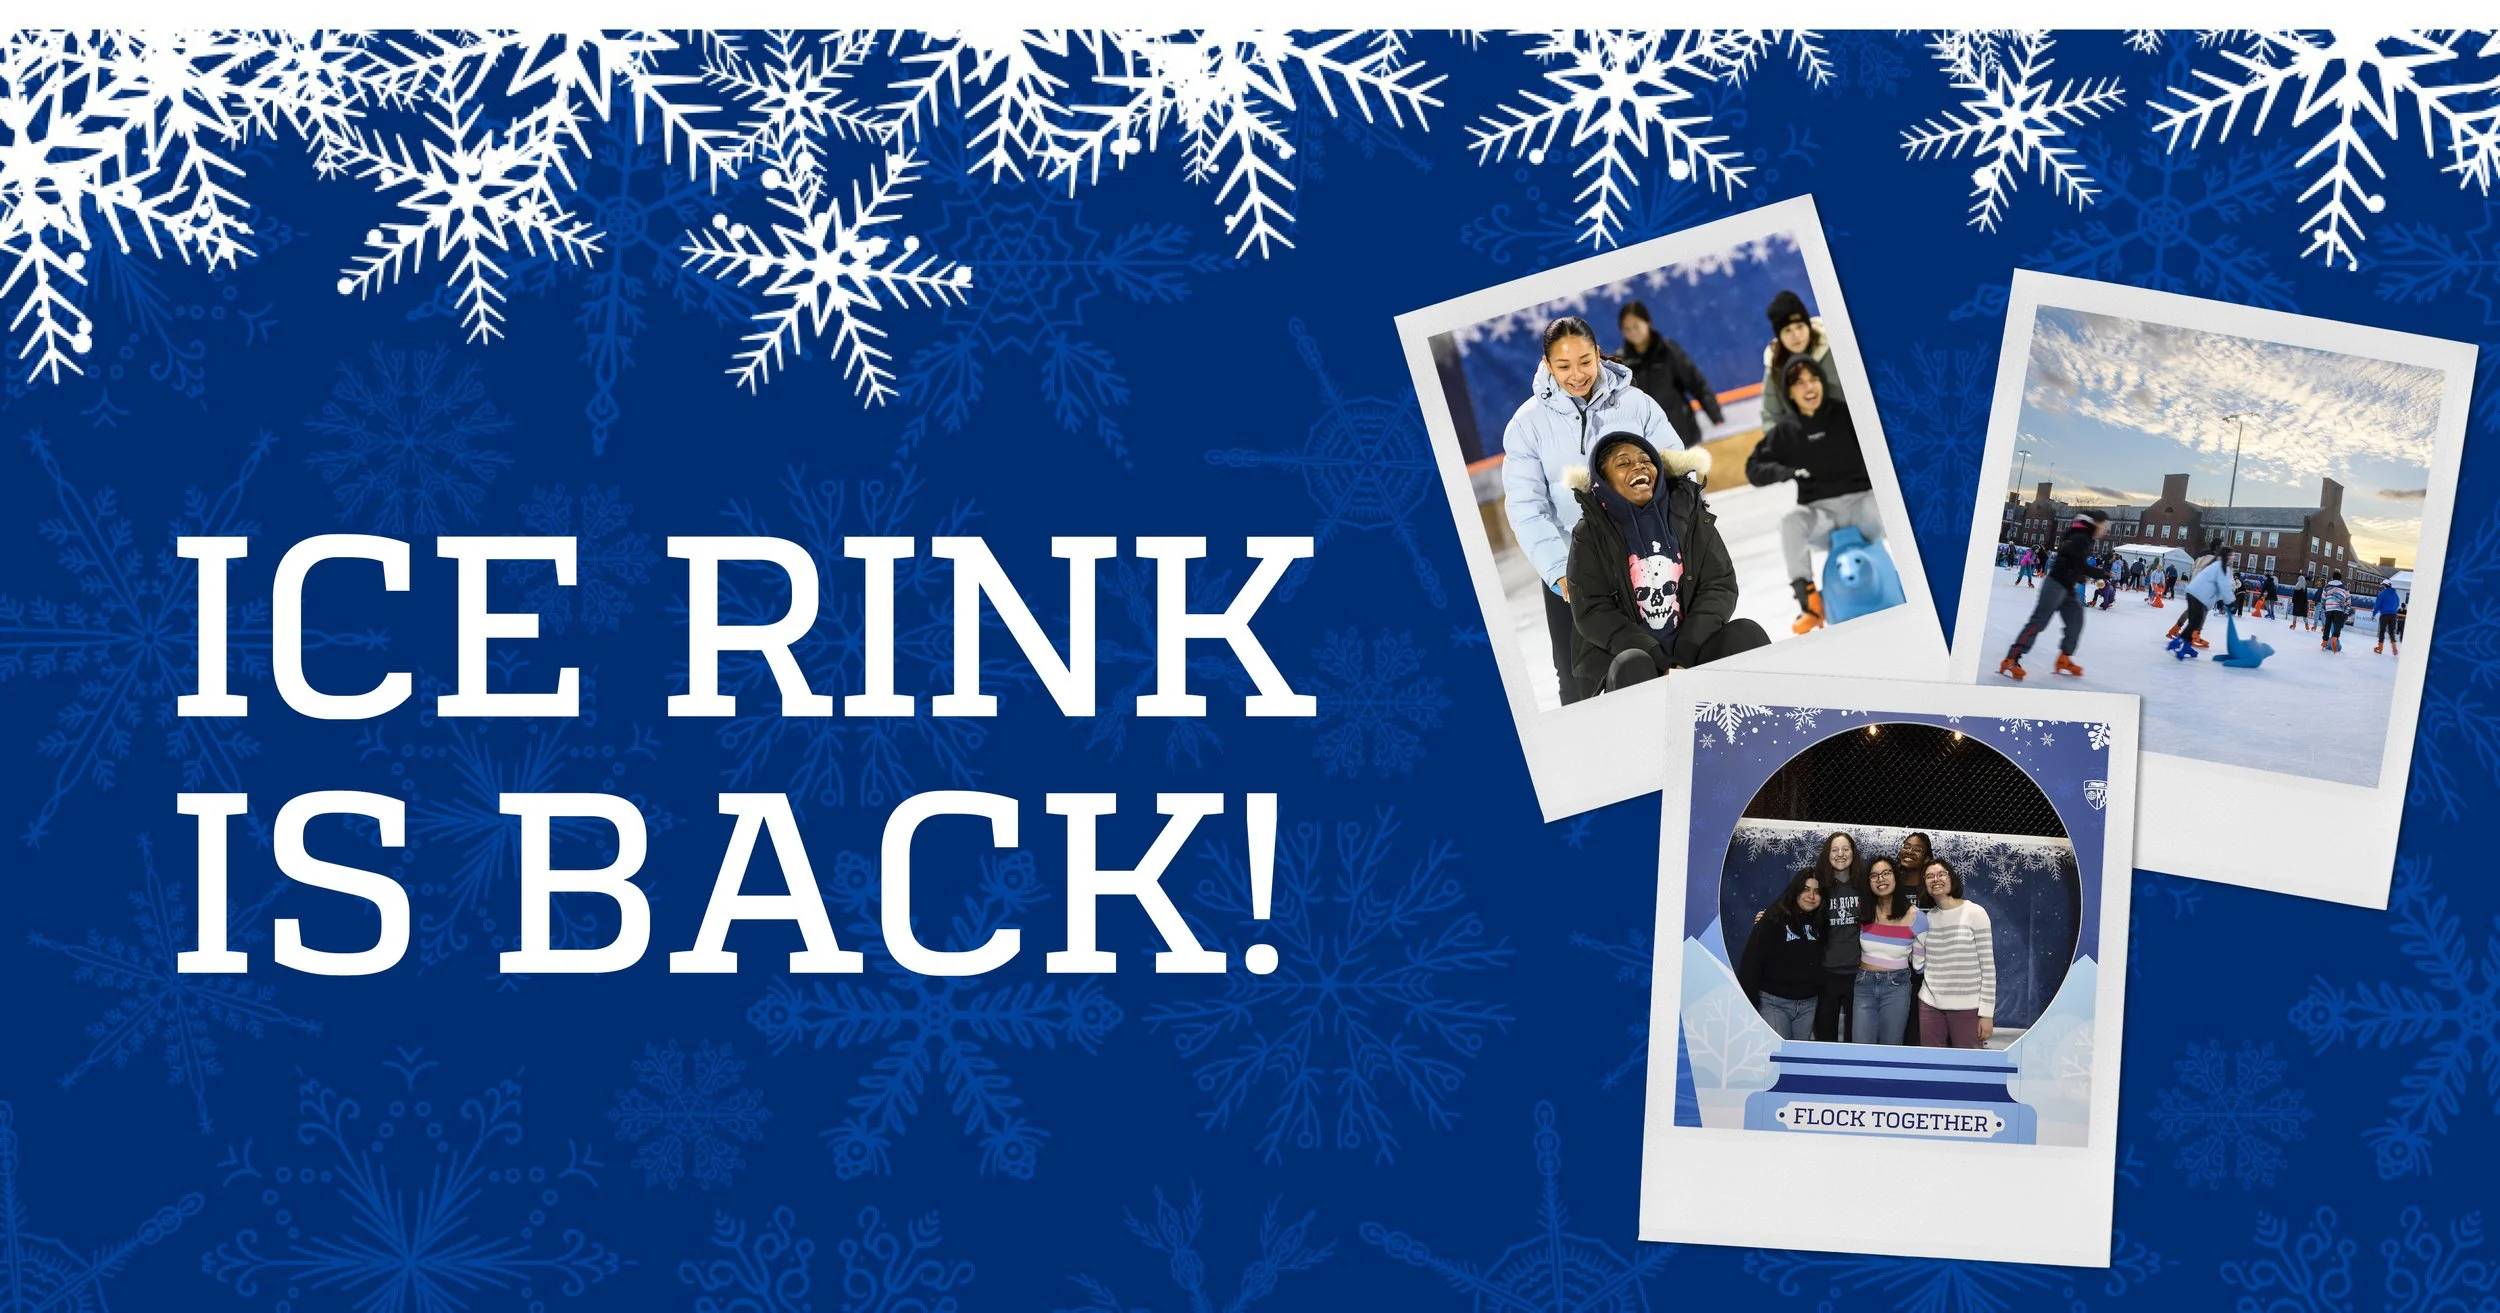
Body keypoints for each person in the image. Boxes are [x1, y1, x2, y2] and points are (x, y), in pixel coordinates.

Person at [1502, 317, 1676, 706]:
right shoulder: (1526, 426)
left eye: (1585, 361)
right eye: (1563, 366)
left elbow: (1678, 469)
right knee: (1577, 679)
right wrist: (1561, 573)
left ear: (1598, 355)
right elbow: (1527, 508)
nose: (1577, 375)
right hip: (1573, 570)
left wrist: (1669, 538)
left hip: (1648, 562)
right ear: (1547, 364)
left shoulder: (1636, 404)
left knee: (1659, 662)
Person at [1562, 431, 1770, 695]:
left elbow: (1719, 584)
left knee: (1745, 634)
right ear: (1604, 481)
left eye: (1645, 460)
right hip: (1634, 659)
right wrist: (1658, 659)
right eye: (1623, 463)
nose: (1638, 466)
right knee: (1632, 664)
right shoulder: (1589, 533)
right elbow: (1592, 610)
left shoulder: (1689, 513)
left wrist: (1685, 652)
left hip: (1693, 649)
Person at [1747, 354, 1882, 634]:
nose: (1809, 387)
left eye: (1813, 379)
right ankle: (1811, 606)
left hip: (1864, 506)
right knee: (1790, 522)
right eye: (1800, 383)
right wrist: (1785, 471)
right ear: (1790, 393)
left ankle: (1917, 579)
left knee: (1891, 503)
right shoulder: (1786, 432)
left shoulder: (1847, 415)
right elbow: (1754, 468)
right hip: (1822, 517)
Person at [1999, 509, 2107, 679]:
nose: (2105, 529)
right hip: (2055, 585)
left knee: (2075, 620)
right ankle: (2011, 658)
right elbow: (2077, 564)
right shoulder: (2080, 538)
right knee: (2039, 622)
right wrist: (2102, 573)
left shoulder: (2083, 537)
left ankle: (2064, 658)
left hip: (2068, 587)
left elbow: (2071, 562)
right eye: (2104, 525)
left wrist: (2080, 578)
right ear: (2096, 523)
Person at [1612, 301, 1724, 448]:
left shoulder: (1668, 351)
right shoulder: (1621, 362)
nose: (1632, 332)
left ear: (1648, 323)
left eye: (1636, 326)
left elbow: (1696, 382)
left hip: (1682, 432)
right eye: (1627, 329)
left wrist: (1715, 415)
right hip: (1647, 440)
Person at [1914, 858, 1995, 1049]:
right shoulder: (1927, 919)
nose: (1936, 879)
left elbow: (1988, 968)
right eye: (1929, 876)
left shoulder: (1975, 913)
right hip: (1930, 1006)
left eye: (1941, 874)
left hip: (1969, 1008)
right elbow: (1918, 963)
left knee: (1969, 1068)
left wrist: (1987, 1013)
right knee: (1932, 1065)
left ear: (1951, 878)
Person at [1738, 871, 1827, 1040]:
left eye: (1817, 891)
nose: (1811, 896)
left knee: (1798, 1061)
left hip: (1808, 1004)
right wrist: (1749, 1004)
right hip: (1775, 1003)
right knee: (1778, 1059)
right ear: (1796, 891)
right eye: (1806, 889)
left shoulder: (1822, 922)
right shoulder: (1773, 917)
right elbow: (1752, 961)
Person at [1852, 857, 1925, 1046]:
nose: (1880, 879)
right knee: (1860, 1050)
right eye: (1874, 875)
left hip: (1897, 987)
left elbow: (1920, 964)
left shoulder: (1917, 917)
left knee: (1891, 1047)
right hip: (1863, 985)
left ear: (1896, 876)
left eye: (1886, 873)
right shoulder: (1863, 910)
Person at [1757, 289, 1849, 431]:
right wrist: (1789, 446)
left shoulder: (1836, 349)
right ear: (1779, 336)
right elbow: (1770, 418)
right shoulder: (1774, 366)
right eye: (1787, 330)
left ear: (1808, 327)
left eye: (1800, 326)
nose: (1796, 335)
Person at [1807, 832, 1866, 1042]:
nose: (1840, 854)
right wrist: (1768, 914)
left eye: (1845, 849)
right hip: (1826, 974)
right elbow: (1795, 904)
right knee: (1825, 1037)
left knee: (1855, 1039)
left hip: (1859, 975)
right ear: (1827, 854)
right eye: (1834, 850)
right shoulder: (1819, 887)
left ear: (1853, 853)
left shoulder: (1865, 886)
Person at [2170, 544, 2232, 659]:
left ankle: (2185, 643)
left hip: (2194, 590)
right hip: (2200, 595)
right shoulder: (2221, 565)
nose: (2233, 557)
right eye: (2231, 555)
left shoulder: (2205, 560)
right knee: (2195, 622)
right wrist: (2231, 602)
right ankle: (2180, 642)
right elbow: (2225, 586)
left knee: (2193, 620)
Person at [2321, 576, 2352, 652]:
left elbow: (2323, 599)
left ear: (2332, 578)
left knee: (2327, 625)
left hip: (2329, 608)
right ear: (2340, 579)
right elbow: (2348, 601)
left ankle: (2325, 641)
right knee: (2337, 626)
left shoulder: (2327, 587)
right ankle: (2334, 638)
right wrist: (2346, 612)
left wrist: (2325, 607)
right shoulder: (2344, 588)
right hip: (2339, 609)